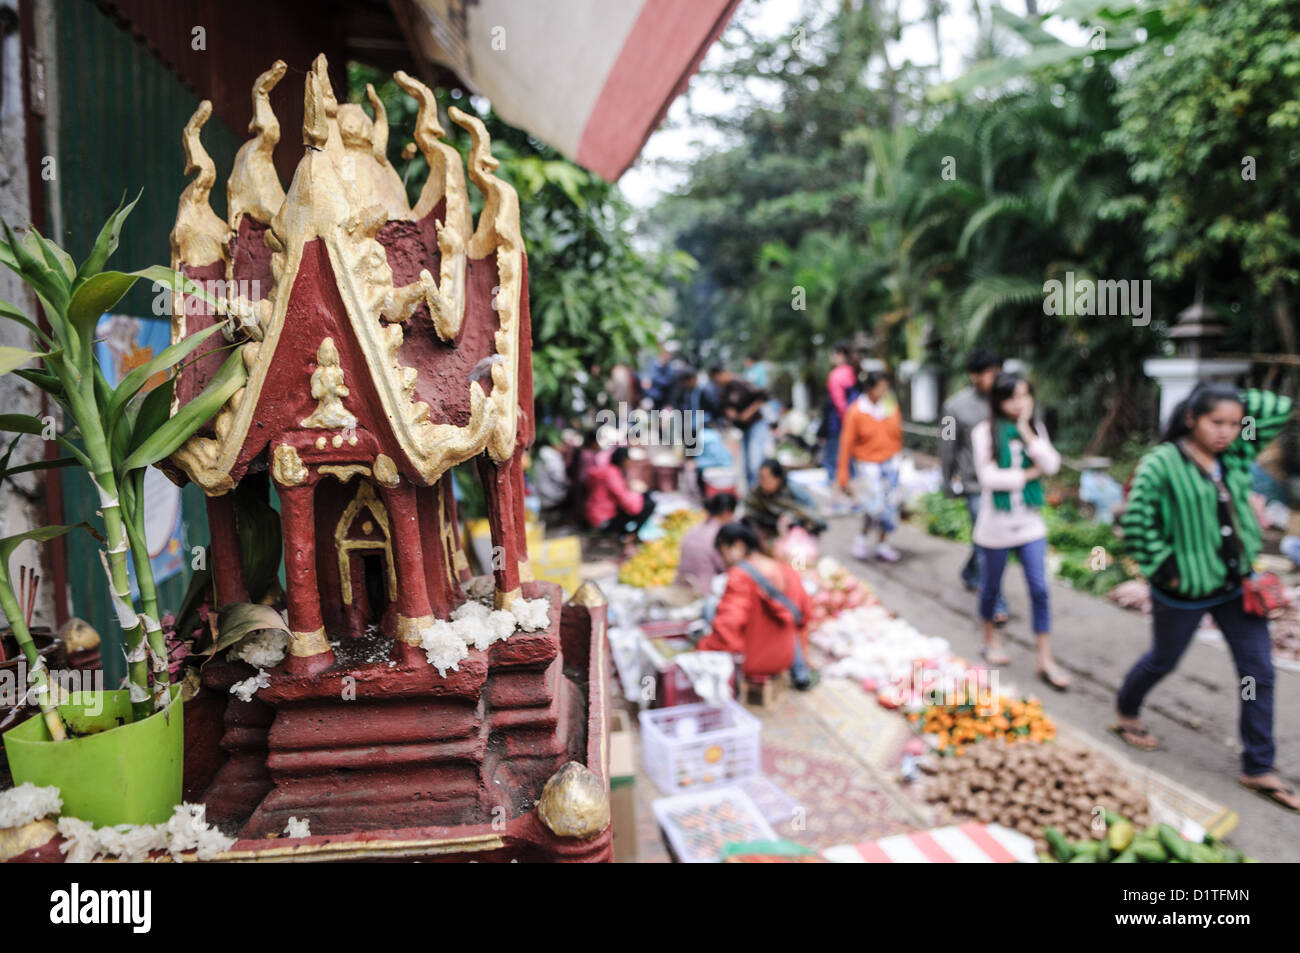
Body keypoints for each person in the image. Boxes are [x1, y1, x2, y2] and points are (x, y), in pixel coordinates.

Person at [1115, 383, 1298, 810]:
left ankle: (1258, 764)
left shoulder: (1235, 455)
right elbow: (1137, 523)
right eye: (1217, 422)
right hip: (1184, 592)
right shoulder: (1162, 463)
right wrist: (1169, 573)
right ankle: (1126, 709)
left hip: (1237, 588)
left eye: (1235, 423)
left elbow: (1278, 406)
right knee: (1164, 659)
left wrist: (1230, 398)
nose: (1227, 432)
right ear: (1191, 418)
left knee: (1258, 673)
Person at [971, 372, 1070, 690]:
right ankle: (990, 639)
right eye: (1012, 397)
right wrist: (1028, 474)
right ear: (999, 401)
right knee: (991, 587)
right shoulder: (984, 432)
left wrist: (1027, 430)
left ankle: (1045, 659)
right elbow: (988, 478)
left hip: (1029, 524)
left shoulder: (1034, 429)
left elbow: (1052, 465)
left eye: (1025, 396)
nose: (1019, 403)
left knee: (1040, 590)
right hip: (996, 526)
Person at [698, 521, 815, 689]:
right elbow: (805, 616)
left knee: (709, 606)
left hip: (753, 661)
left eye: (723, 553)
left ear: (737, 546)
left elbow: (728, 627)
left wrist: (703, 649)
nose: (723, 561)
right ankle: (801, 675)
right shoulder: (785, 570)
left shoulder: (740, 576)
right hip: (784, 658)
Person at [940, 347, 1008, 623]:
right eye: (989, 372)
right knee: (990, 543)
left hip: (1005, 483)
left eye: (997, 371)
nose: (995, 377)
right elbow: (945, 446)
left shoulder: (1007, 400)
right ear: (974, 375)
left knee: (991, 540)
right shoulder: (953, 407)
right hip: (975, 485)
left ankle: (970, 572)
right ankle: (997, 602)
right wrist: (947, 481)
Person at [837, 371, 905, 562]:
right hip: (868, 465)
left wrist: (899, 458)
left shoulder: (890, 407)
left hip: (890, 463)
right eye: (880, 387)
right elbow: (846, 444)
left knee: (890, 506)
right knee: (872, 506)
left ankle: (883, 543)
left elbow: (897, 435)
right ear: (870, 388)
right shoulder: (857, 411)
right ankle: (862, 538)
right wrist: (843, 475)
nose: (884, 391)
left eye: (885, 386)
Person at [710, 365, 770, 487]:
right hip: (743, 428)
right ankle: (751, 491)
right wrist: (729, 412)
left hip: (756, 424)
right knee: (746, 463)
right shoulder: (722, 390)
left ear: (723, 373)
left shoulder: (740, 382)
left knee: (755, 460)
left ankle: (761, 487)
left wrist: (748, 412)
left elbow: (763, 395)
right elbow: (722, 407)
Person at [744, 458, 827, 544]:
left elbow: (814, 515)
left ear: (777, 479)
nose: (761, 482)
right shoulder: (758, 492)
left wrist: (792, 518)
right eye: (760, 477)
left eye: (765, 478)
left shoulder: (794, 490)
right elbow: (749, 509)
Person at [584, 446, 654, 540]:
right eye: (630, 459)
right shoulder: (612, 475)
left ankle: (627, 534)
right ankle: (629, 536)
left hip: (599, 513)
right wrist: (637, 493)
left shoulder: (610, 471)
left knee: (645, 499)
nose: (631, 463)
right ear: (624, 460)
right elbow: (631, 506)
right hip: (602, 518)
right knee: (648, 504)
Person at [675, 493, 737, 593]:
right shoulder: (719, 535)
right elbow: (726, 565)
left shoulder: (693, 530)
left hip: (680, 587)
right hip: (702, 591)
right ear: (727, 513)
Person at [823, 341, 858, 480]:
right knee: (851, 462)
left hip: (838, 425)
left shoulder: (836, 375)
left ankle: (838, 496)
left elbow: (840, 404)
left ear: (840, 354)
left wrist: (848, 425)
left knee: (833, 462)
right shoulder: (853, 371)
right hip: (853, 423)